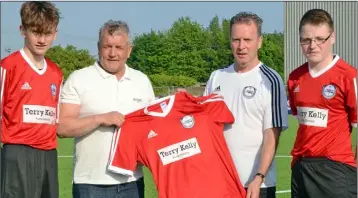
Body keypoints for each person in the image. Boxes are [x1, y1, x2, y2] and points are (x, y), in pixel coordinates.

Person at [57, 20, 155, 198]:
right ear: (98, 47)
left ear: (129, 50)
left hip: (132, 182)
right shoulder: (79, 79)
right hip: (90, 184)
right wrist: (99, 119)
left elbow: (154, 129)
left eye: (119, 47)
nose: (112, 53)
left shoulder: (142, 81)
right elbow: (62, 127)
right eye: (107, 46)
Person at [203, 12, 288, 198]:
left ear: (259, 41)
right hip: (220, 182)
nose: (241, 46)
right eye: (236, 40)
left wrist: (259, 176)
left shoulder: (270, 80)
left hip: (256, 186)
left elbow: (271, 135)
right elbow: (204, 128)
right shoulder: (216, 77)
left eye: (247, 39)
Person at [287, 9, 357, 198]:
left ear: (332, 37)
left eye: (320, 39)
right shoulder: (294, 78)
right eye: (306, 40)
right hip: (300, 168)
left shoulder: (348, 76)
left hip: (335, 169)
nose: (313, 46)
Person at [0, 2, 62, 198]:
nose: (42, 40)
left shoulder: (56, 73)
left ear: (55, 33)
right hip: (17, 153)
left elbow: (56, 119)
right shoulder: (8, 66)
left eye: (48, 33)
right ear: (22, 31)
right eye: (36, 32)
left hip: (49, 155)